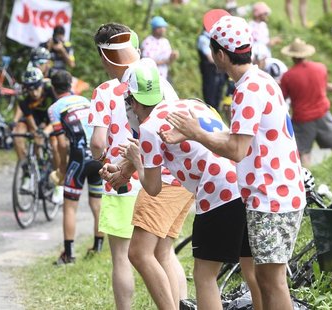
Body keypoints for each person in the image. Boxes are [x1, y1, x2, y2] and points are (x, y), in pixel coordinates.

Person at [162, 10, 306, 310]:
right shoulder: (262, 80)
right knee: (264, 279)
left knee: (272, 281)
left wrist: (196, 132)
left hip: (271, 196)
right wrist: (192, 134)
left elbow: (236, 149)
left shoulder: (247, 89)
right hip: (276, 192)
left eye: (212, 50)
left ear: (221, 55)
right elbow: (244, 139)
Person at [119, 61, 261, 310]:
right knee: (252, 272)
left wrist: (135, 161)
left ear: (133, 101)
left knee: (204, 276)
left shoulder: (149, 128)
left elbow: (153, 188)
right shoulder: (193, 104)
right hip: (246, 183)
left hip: (217, 194)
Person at [91, 25, 188, 310]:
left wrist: (118, 168)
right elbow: (145, 141)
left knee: (137, 254)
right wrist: (123, 169)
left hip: (163, 177)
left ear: (105, 57)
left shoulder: (124, 86)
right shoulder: (151, 75)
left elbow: (147, 140)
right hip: (181, 176)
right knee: (163, 252)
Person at [47, 70, 103, 265]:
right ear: (71, 84)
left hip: (78, 159)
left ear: (53, 88)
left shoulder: (54, 109)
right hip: (98, 156)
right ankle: (98, 247)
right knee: (97, 204)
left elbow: (61, 144)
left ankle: (69, 254)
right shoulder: (86, 101)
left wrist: (62, 167)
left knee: (70, 207)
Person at [279, 38, 332, 168]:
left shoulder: (288, 76)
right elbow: (322, 86)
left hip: (303, 120)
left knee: (303, 153)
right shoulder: (320, 68)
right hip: (323, 114)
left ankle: (310, 178)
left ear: (292, 57)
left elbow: (282, 97)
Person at [12, 67, 64, 204]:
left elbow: (57, 118)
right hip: (34, 118)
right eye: (30, 89)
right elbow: (28, 117)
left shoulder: (50, 89)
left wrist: (45, 132)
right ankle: (27, 170)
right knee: (18, 132)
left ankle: (59, 183)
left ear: (41, 85)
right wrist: (36, 132)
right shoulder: (23, 96)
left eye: (36, 88)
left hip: (52, 118)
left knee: (54, 145)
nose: (34, 93)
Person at [197, 26, 228, 110]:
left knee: (218, 94)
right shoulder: (203, 39)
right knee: (210, 95)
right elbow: (210, 58)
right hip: (209, 71)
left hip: (219, 71)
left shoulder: (216, 39)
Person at [141, 16, 179, 80]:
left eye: (164, 27)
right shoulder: (148, 42)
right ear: (154, 29)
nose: (163, 29)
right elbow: (147, 62)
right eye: (160, 27)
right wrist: (166, 61)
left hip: (164, 77)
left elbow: (169, 62)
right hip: (150, 79)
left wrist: (173, 57)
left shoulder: (165, 42)